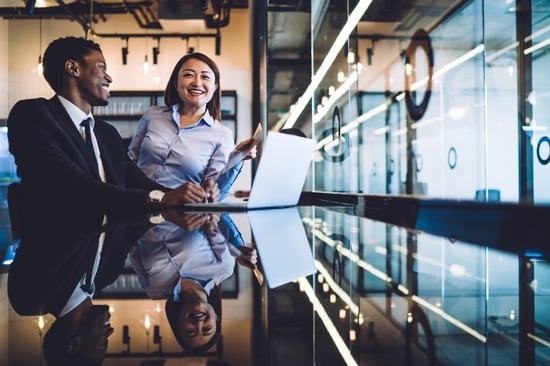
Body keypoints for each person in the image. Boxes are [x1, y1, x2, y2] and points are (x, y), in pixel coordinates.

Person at [7, 36, 219, 221]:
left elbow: (136, 180)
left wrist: (187, 198)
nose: (109, 77)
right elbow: (73, 185)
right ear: (73, 68)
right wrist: (163, 198)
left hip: (102, 251)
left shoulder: (106, 133)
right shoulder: (33, 114)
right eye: (101, 67)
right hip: (56, 255)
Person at [128, 52, 256, 199]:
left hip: (180, 216)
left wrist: (237, 157)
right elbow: (129, 160)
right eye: (188, 75)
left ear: (214, 88)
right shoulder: (152, 115)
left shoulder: (222, 135)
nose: (196, 82)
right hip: (138, 205)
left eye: (205, 77)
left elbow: (214, 192)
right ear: (176, 83)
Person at [128, 211, 257, 353]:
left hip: (140, 203)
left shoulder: (154, 290)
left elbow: (132, 248)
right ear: (217, 319)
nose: (199, 324)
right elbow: (215, 213)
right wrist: (238, 245)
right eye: (207, 329)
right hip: (176, 191)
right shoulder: (222, 268)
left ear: (178, 325)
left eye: (190, 331)